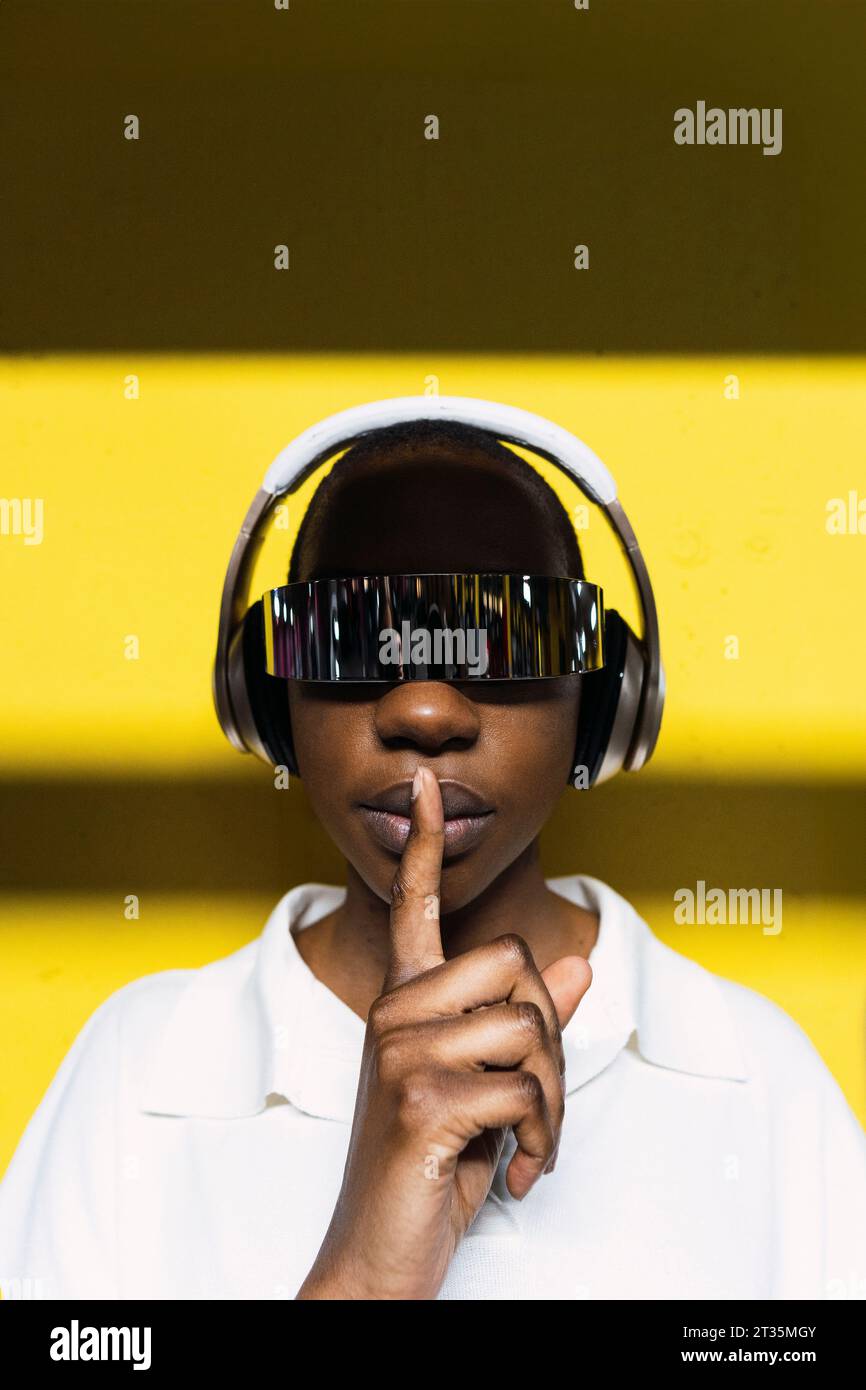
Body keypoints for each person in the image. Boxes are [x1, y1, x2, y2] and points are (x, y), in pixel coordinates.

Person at [1, 420, 865, 1302]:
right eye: (350, 635)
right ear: (266, 701)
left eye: (503, 635)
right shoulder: (135, 1076)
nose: (423, 708)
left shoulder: (762, 1084)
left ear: (605, 703)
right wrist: (363, 1281)